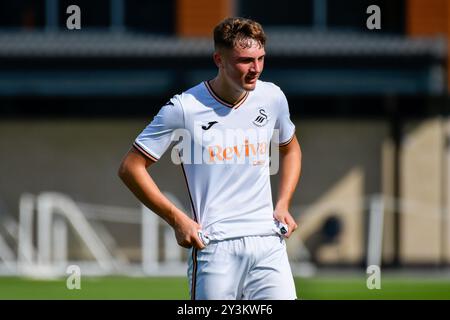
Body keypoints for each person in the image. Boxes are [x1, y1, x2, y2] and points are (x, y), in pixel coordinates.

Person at [118, 17, 302, 300]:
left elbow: (290, 149)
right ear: (219, 59)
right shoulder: (184, 108)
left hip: (268, 243)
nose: (255, 69)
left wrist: (283, 204)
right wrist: (177, 219)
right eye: (245, 61)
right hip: (216, 248)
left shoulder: (273, 97)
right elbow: (131, 167)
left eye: (261, 59)